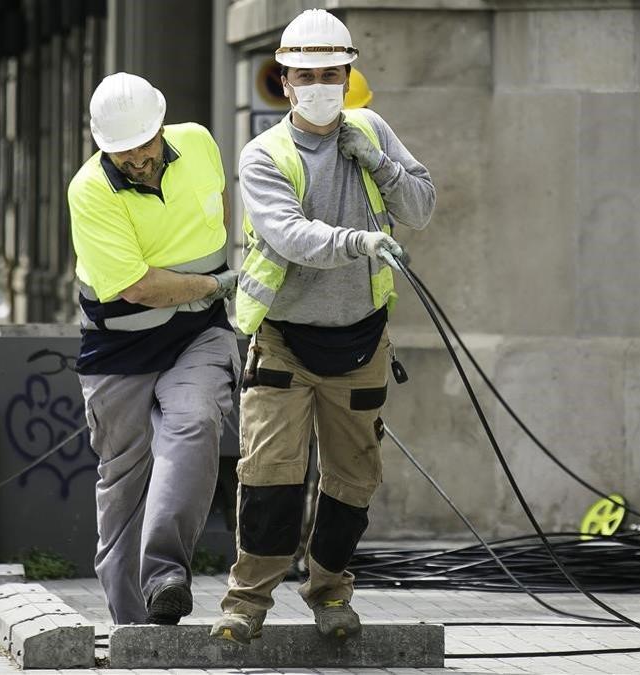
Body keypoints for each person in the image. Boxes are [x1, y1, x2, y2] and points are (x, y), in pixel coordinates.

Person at [213, 9, 436, 644]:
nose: (318, 83)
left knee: (353, 480)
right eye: (304, 74)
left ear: (348, 74)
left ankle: (331, 592)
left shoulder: (372, 131)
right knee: (269, 476)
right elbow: (289, 235)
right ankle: (247, 603)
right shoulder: (265, 154)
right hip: (285, 342)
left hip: (361, 342)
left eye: (330, 73)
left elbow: (421, 206)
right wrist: (360, 240)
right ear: (284, 81)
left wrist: (383, 166)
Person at [67, 72, 240, 625]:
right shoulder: (90, 189)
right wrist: (214, 284)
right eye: (122, 153)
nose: (138, 161)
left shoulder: (200, 142)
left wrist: (212, 279)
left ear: (161, 127)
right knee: (123, 481)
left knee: (194, 424)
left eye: (144, 145)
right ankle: (131, 626)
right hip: (119, 345)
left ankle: (165, 575)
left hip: (198, 335)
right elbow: (138, 287)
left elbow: (219, 204)